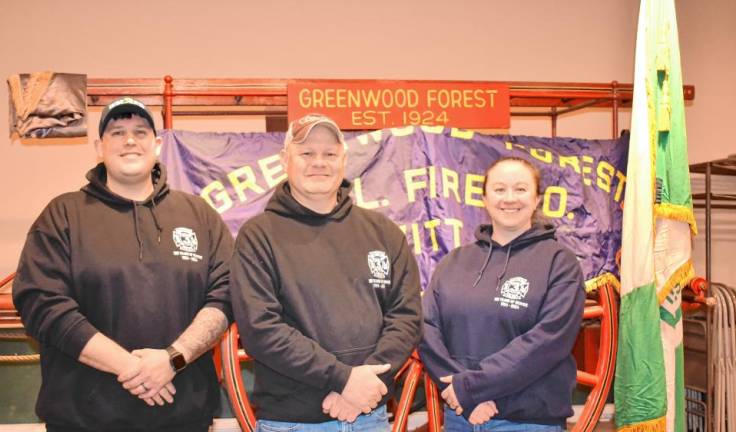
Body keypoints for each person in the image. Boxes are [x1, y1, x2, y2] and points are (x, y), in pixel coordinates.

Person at [12, 97, 234, 432]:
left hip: (185, 420)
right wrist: (131, 367)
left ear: (157, 145)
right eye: (117, 132)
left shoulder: (199, 215)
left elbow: (227, 294)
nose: (130, 140)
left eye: (140, 131)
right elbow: (42, 304)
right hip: (84, 422)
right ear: (99, 147)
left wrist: (173, 359)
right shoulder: (63, 216)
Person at [230, 113, 422, 431]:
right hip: (292, 421)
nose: (319, 162)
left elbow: (407, 317)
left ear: (343, 160)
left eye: (330, 154)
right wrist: (343, 378)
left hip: (370, 416)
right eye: (306, 153)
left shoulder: (382, 232)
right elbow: (261, 329)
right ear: (284, 159)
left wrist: (366, 383)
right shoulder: (258, 236)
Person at [418, 156, 586, 431]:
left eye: (520, 189)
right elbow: (427, 329)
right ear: (484, 199)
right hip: (461, 416)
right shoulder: (454, 262)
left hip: (527, 420)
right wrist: (463, 391)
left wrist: (472, 387)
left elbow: (548, 341)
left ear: (536, 199)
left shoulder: (560, 263)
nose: (510, 198)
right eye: (499, 189)